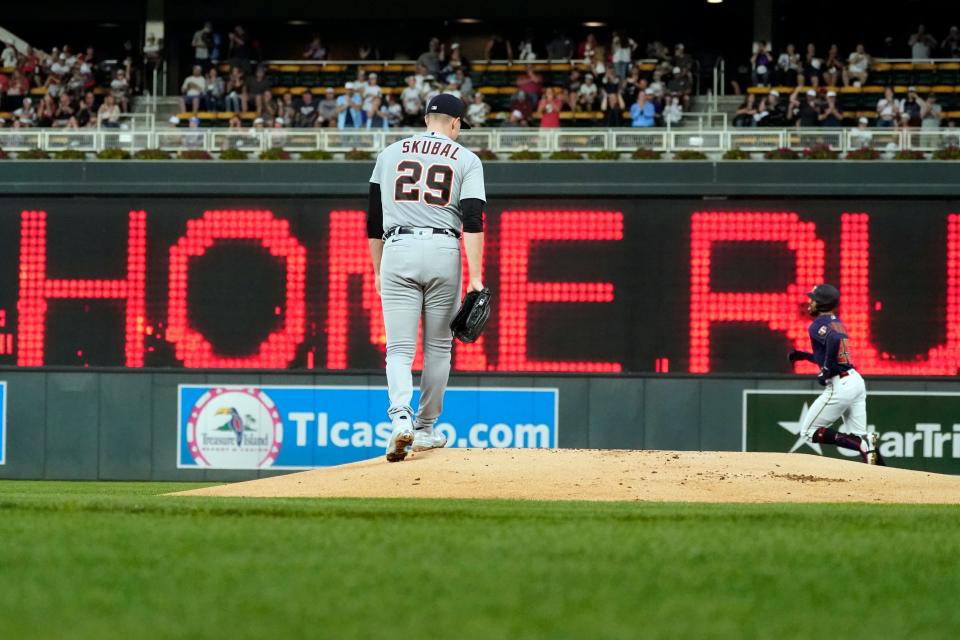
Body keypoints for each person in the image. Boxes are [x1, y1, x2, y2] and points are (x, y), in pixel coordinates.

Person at [366, 93, 486, 462]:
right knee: (438, 348)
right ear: (455, 123)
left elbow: (372, 220)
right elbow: (472, 219)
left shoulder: (388, 154)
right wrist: (476, 278)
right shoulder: (466, 158)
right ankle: (425, 429)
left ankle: (400, 419)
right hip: (442, 250)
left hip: (396, 248)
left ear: (426, 120)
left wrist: (377, 271)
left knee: (399, 349)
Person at [788, 284, 883, 465]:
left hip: (840, 384)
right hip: (854, 380)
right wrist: (804, 356)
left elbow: (834, 339)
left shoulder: (817, 325)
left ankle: (862, 444)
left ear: (821, 303)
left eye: (813, 299)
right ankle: (885, 474)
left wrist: (825, 371)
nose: (810, 302)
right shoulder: (836, 322)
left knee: (808, 432)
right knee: (862, 438)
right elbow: (831, 348)